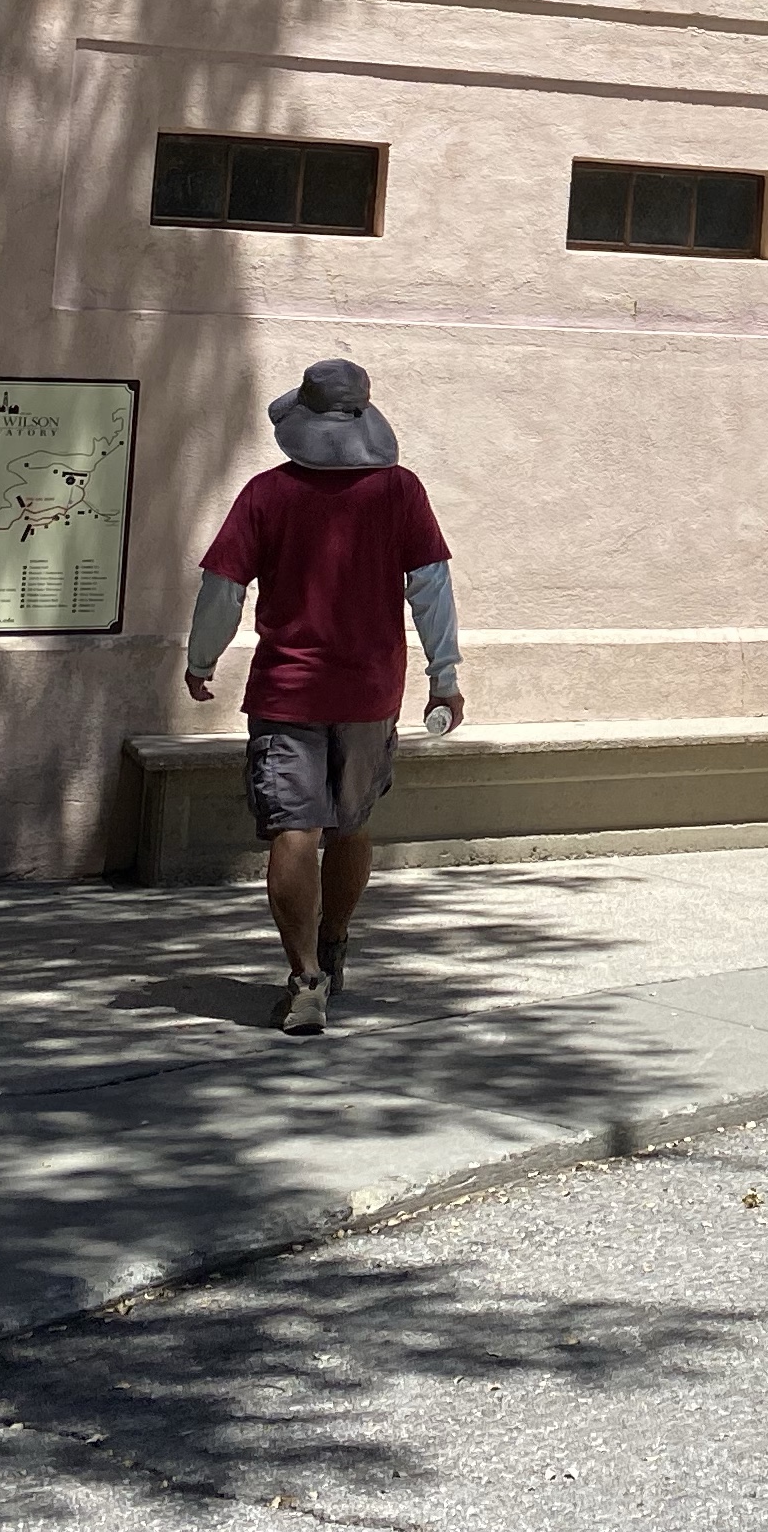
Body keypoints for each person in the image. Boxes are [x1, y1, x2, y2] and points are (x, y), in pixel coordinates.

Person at [185, 360, 466, 1037]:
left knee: (294, 830)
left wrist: (201, 660)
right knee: (351, 826)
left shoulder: (266, 493)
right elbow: (431, 586)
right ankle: (335, 940)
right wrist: (445, 676)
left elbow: (223, 589)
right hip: (371, 691)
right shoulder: (401, 491)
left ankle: (305, 977)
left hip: (286, 691)